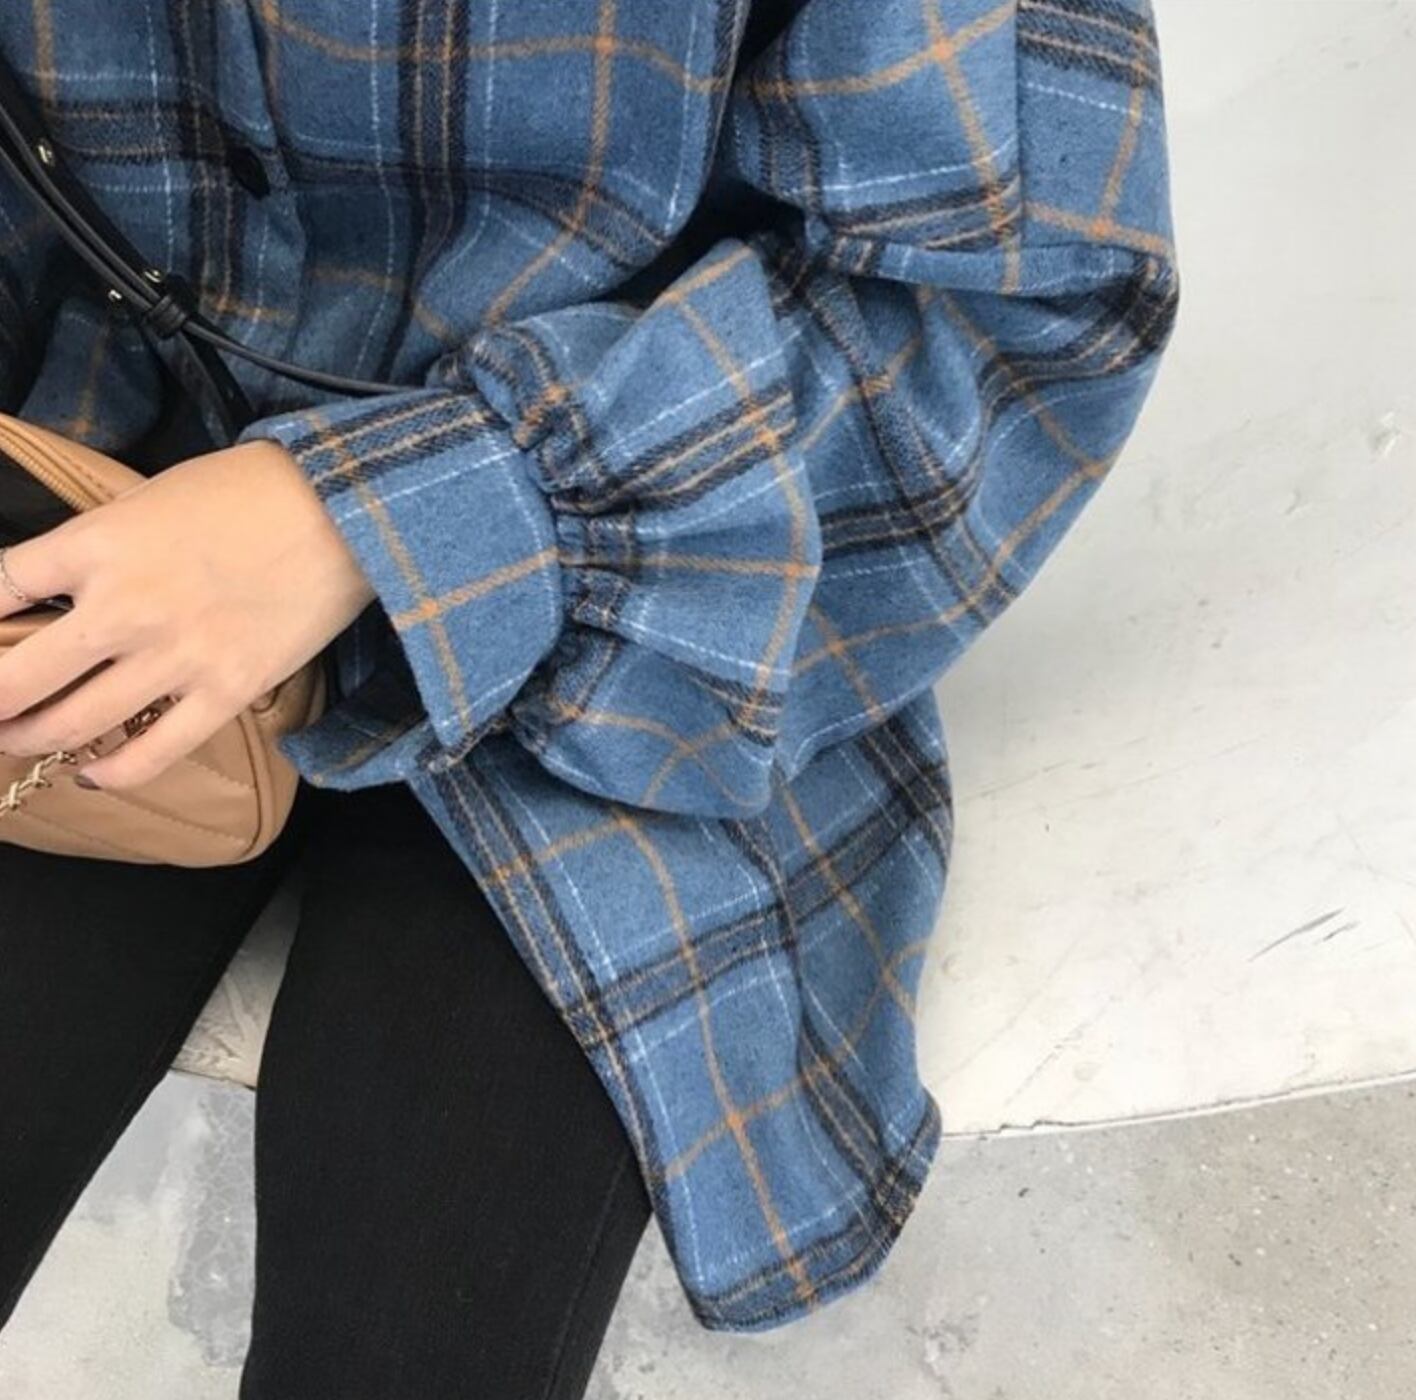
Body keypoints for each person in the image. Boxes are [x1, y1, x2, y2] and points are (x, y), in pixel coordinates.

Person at [0, 1, 1177, 1395]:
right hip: (77, 534)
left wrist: (379, 517)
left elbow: (1006, 321)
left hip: (643, 610)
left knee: (399, 1357)